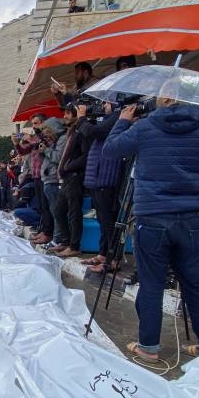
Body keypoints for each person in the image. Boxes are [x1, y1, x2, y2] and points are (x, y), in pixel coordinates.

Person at [103, 90, 199, 363]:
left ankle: (149, 347)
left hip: (152, 216)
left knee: (152, 282)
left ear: (164, 100)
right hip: (191, 217)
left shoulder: (144, 126)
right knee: (198, 283)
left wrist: (122, 120)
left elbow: (110, 150)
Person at [82, 102, 125, 273]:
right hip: (98, 177)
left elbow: (93, 132)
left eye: (107, 102)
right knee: (102, 220)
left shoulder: (117, 118)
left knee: (109, 222)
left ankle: (113, 259)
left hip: (107, 176)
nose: (103, 105)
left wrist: (82, 118)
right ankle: (103, 254)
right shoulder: (106, 120)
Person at [54, 102, 91, 258]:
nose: (64, 116)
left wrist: (69, 166)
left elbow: (86, 155)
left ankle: (74, 246)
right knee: (59, 210)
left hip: (75, 177)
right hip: (67, 179)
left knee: (74, 212)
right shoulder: (71, 132)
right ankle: (66, 241)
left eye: (68, 114)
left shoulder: (81, 131)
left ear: (76, 114)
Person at [39, 116, 69, 251]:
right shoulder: (55, 141)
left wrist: (46, 149)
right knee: (54, 211)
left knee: (57, 212)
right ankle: (56, 238)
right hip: (49, 180)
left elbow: (59, 158)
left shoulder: (63, 139)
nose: (45, 134)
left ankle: (58, 239)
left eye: (46, 130)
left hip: (54, 181)